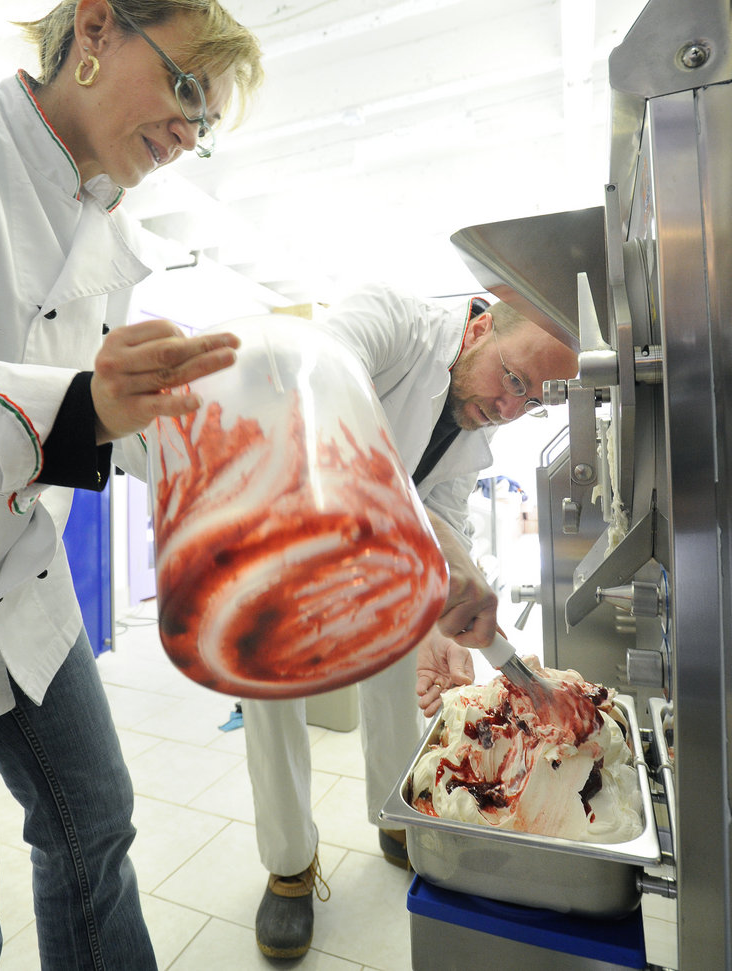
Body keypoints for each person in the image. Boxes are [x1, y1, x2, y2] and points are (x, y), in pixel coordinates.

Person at [0, 1, 262, 967]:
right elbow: (67, 408)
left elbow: (99, 422)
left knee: (96, 823)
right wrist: (83, 406)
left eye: (204, 124)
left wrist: (219, 458)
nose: (188, 132)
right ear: (96, 28)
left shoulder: (109, 226)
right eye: (187, 89)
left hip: (22, 579)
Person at [244, 283, 579, 960]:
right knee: (275, 698)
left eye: (531, 401)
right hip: (283, 528)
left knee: (400, 670)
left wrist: (445, 616)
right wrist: (436, 547)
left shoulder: (475, 432)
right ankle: (289, 865)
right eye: (512, 378)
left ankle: (396, 814)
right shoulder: (394, 321)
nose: (508, 407)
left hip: (373, 549)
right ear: (481, 326)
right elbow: (318, 385)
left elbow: (444, 518)